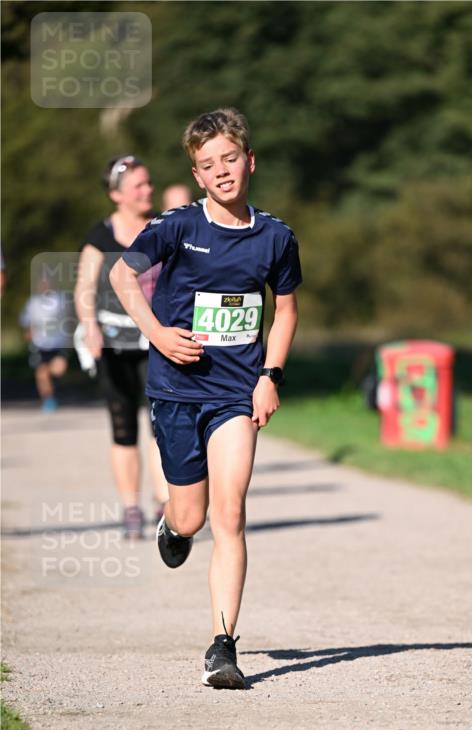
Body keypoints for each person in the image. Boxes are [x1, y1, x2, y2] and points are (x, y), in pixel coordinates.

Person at [109, 108, 301, 689]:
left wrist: (270, 375)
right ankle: (174, 525)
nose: (222, 171)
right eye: (208, 164)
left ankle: (223, 646)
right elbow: (122, 276)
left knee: (231, 512)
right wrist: (157, 333)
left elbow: (285, 310)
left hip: (235, 393)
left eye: (230, 159)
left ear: (250, 161)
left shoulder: (275, 237)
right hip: (175, 389)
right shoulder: (178, 227)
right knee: (191, 515)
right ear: (197, 174)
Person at [75, 155, 169, 539]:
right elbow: (84, 288)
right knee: (123, 425)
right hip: (114, 342)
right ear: (117, 195)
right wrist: (89, 327)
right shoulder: (100, 235)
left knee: (161, 424)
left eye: (149, 184)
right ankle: (131, 508)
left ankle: (165, 505)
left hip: (157, 340)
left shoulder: (165, 227)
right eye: (138, 186)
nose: (148, 191)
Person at [20, 272, 71, 411]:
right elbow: (27, 321)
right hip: (40, 344)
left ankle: (52, 383)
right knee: (41, 373)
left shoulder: (60, 299)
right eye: (42, 283)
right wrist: (29, 332)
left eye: (47, 283)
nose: (44, 286)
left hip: (58, 343)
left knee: (58, 369)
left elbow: (70, 317)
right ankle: (48, 399)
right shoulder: (33, 302)